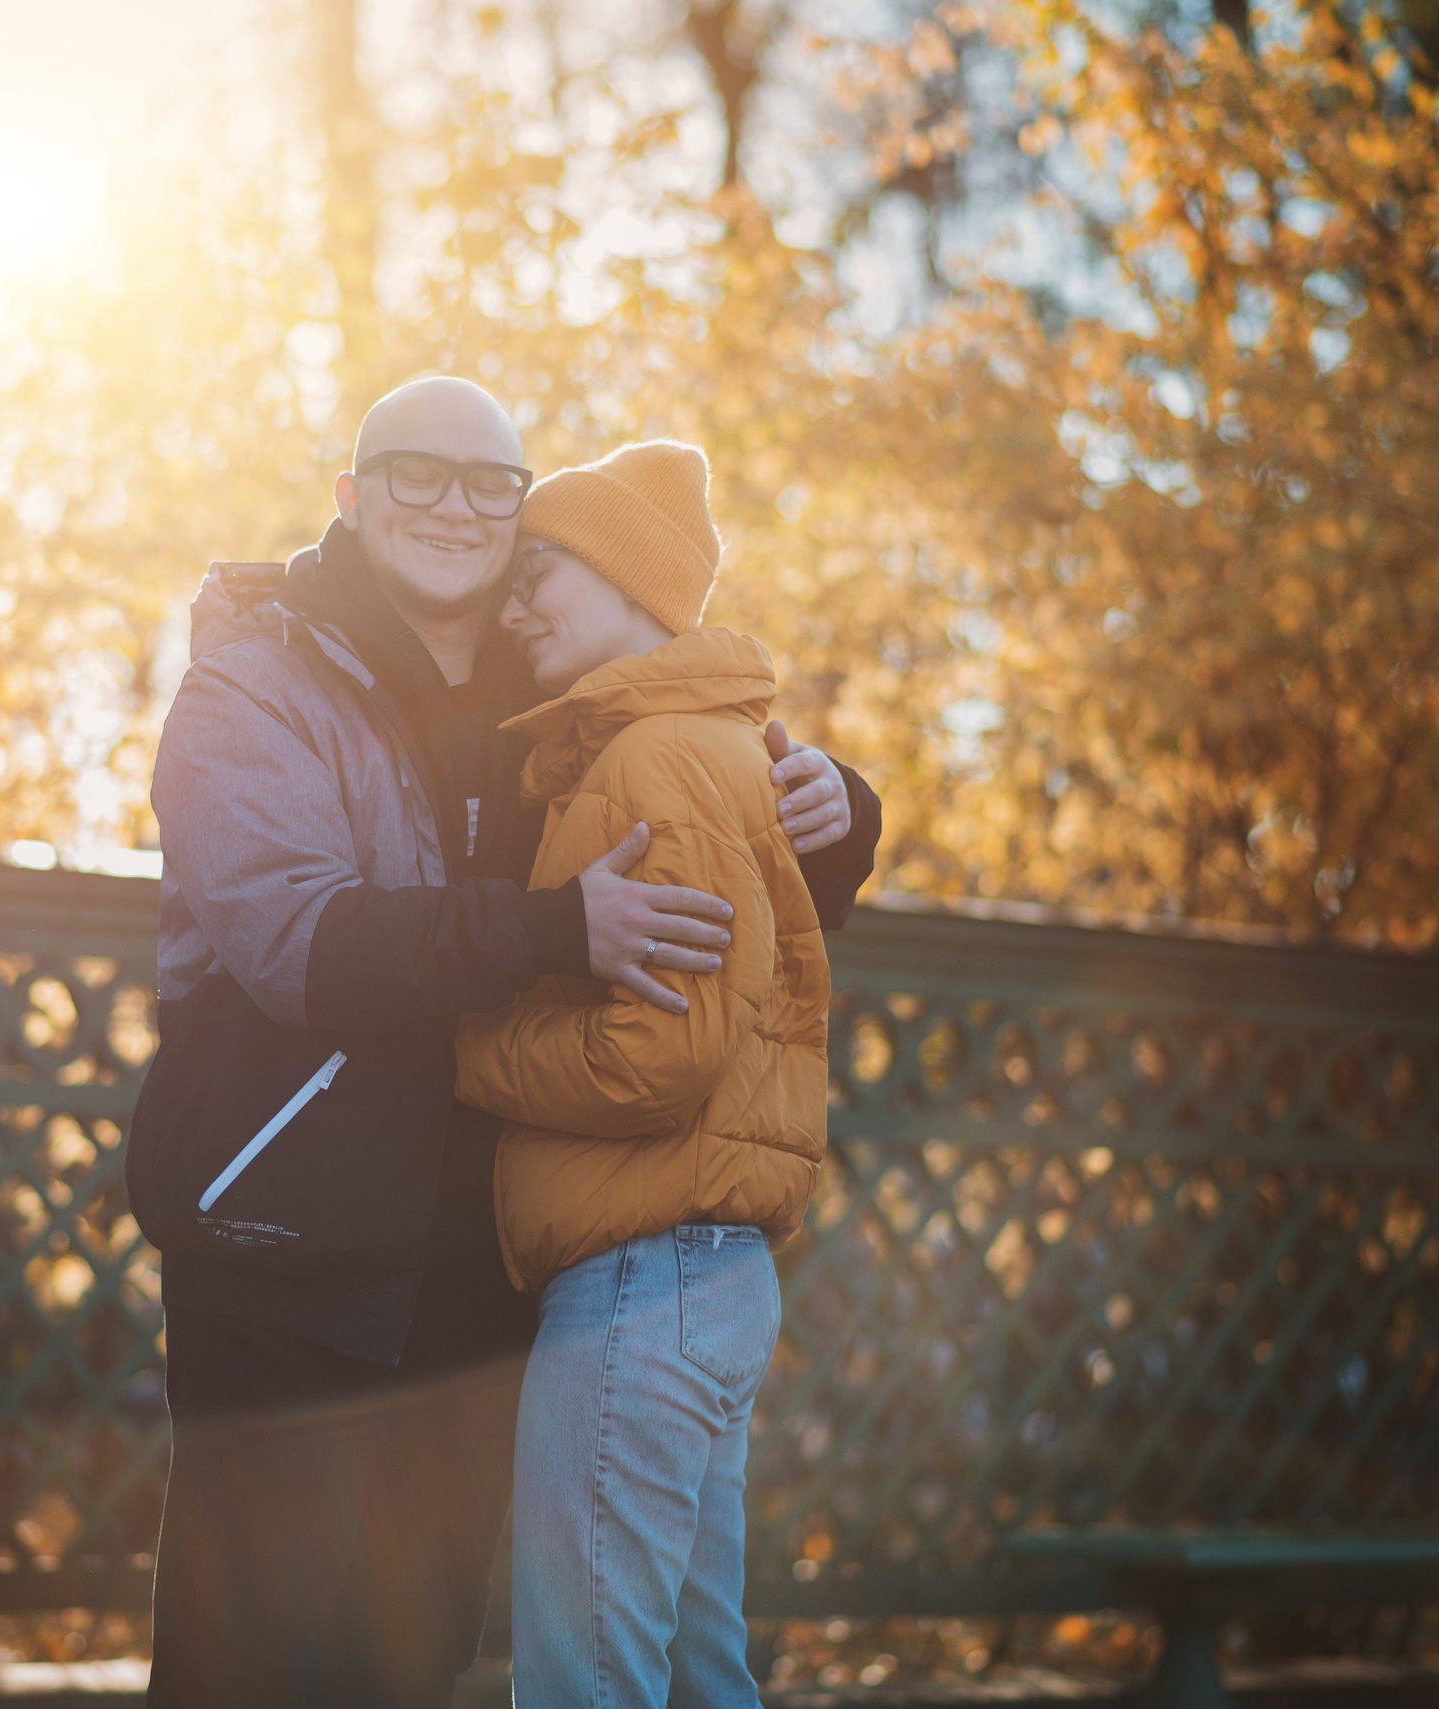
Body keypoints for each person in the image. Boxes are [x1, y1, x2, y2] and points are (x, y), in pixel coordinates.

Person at [128, 377, 878, 1709]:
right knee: (242, 1667)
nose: (455, 507)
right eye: (414, 474)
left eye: (491, 485)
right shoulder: (253, 685)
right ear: (351, 497)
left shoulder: (556, 699)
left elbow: (705, 877)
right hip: (285, 1253)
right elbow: (298, 940)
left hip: (475, 1281)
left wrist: (838, 810)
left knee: (406, 1666)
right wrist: (547, 928)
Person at [454, 440, 830, 1708]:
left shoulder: (653, 757)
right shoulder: (706, 746)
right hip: (699, 1272)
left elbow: (657, 1052)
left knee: (588, 1684)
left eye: (538, 574)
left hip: (635, 1273)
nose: (512, 608)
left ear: (630, 581)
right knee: (692, 1677)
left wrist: (465, 1049)